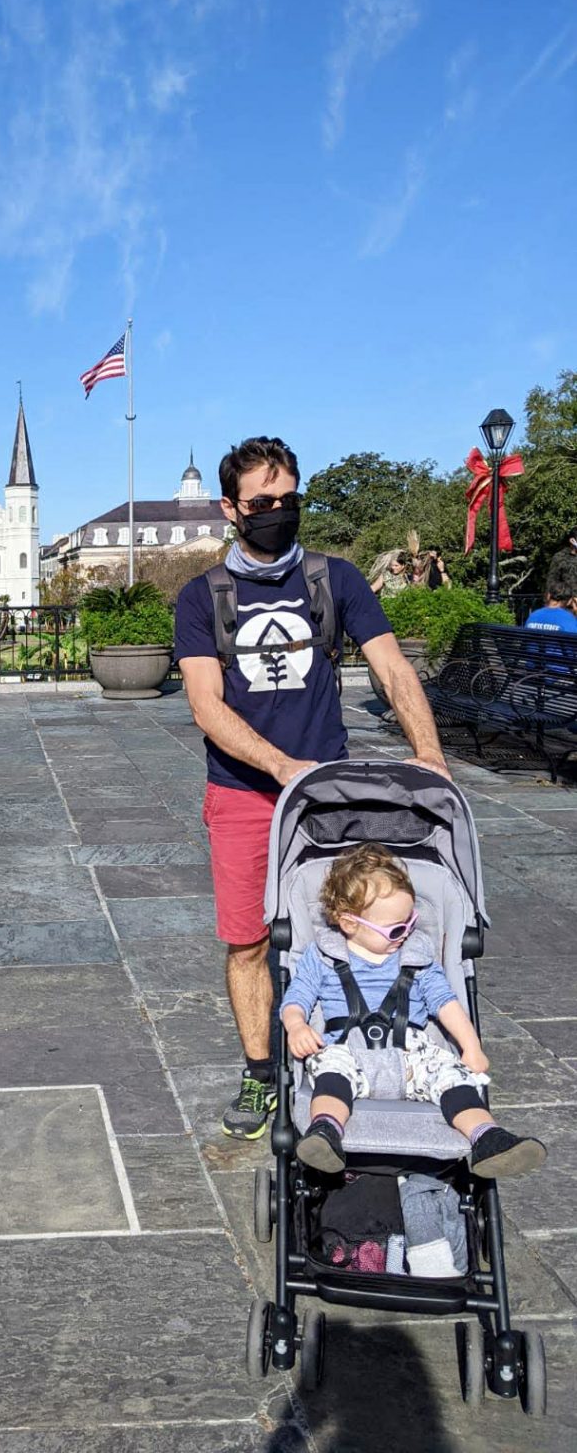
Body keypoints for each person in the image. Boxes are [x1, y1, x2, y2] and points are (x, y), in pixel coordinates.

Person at [175, 436, 451, 1141]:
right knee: (247, 942)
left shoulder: (336, 581)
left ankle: (341, 1063)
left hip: (330, 793)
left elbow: (392, 671)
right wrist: (277, 766)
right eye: (262, 503)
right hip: (243, 791)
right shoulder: (202, 599)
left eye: (288, 499)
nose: (277, 511)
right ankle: (263, 1072)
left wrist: (431, 759)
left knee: (344, 930)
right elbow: (206, 705)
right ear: (231, 509)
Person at [281, 844, 546, 1180]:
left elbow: (446, 1003)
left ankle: (487, 1137)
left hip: (411, 1055)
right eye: (395, 929)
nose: (405, 933)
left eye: (411, 922)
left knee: (451, 1076)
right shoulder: (322, 957)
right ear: (349, 923)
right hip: (349, 1050)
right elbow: (296, 999)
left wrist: (471, 1046)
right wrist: (296, 1026)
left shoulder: (416, 957)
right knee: (330, 1072)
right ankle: (325, 1132)